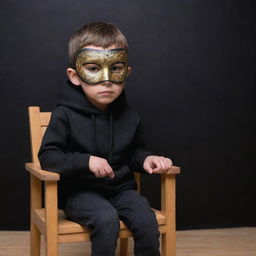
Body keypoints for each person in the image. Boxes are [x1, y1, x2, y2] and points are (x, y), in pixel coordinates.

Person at [38, 21, 173, 256]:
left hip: (121, 190)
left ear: (126, 72)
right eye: (92, 68)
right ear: (75, 75)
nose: (106, 79)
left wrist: (147, 159)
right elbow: (48, 157)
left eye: (116, 68)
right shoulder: (64, 115)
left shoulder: (129, 116)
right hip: (79, 193)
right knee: (105, 218)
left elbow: (133, 152)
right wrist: (86, 161)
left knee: (145, 218)